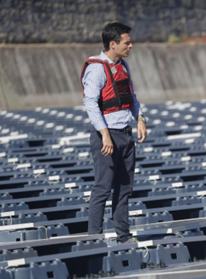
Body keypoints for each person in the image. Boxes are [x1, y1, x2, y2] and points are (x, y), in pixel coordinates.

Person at [81, 22, 147, 244]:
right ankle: (94, 239)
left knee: (124, 188)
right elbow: (90, 103)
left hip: (126, 135)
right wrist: (105, 134)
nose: (131, 45)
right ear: (113, 44)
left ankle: (123, 237)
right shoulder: (97, 68)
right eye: (126, 42)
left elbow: (133, 97)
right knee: (102, 188)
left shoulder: (123, 65)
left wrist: (140, 119)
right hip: (107, 137)